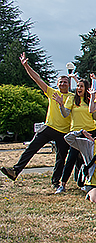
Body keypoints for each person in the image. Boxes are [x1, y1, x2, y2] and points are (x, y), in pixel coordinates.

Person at [2, 53, 72, 188]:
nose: (63, 84)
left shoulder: (73, 97)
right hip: (49, 127)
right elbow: (37, 79)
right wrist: (26, 65)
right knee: (31, 148)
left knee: (60, 158)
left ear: (69, 84)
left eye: (65, 82)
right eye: (60, 82)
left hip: (64, 131)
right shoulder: (52, 92)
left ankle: (55, 182)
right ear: (57, 84)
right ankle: (15, 171)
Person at [53, 78, 96, 194]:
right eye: (78, 86)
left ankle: (87, 183)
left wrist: (93, 100)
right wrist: (61, 104)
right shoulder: (72, 99)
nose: (79, 88)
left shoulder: (89, 99)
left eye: (81, 86)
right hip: (77, 133)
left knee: (88, 159)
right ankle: (62, 184)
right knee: (71, 158)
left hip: (90, 132)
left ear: (86, 88)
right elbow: (65, 114)